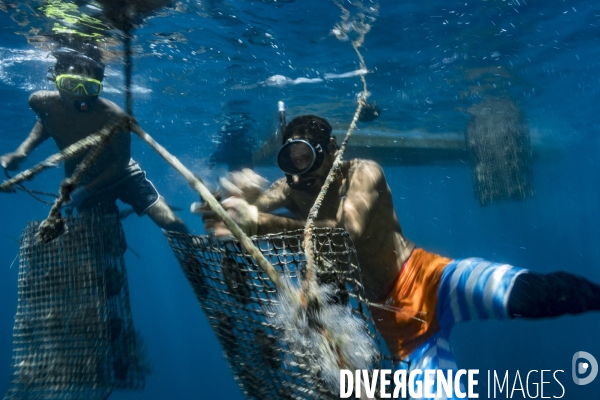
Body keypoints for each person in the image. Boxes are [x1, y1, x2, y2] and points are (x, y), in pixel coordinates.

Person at [203, 115, 600, 398]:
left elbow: (345, 234)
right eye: (291, 160)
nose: (300, 172)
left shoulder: (363, 172)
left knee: (531, 295)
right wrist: (230, 202)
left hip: (434, 280)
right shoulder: (290, 189)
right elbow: (247, 208)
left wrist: (257, 222)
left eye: (307, 158)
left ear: (332, 152)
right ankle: (394, 384)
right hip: (401, 330)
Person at [0, 47, 187, 233]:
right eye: (70, 84)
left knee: (170, 222)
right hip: (81, 179)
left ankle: (194, 253)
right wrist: (22, 151)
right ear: (56, 79)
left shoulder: (113, 116)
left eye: (89, 87)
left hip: (123, 175)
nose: (79, 94)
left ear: (99, 87)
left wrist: (85, 191)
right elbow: (47, 121)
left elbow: (121, 162)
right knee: (103, 240)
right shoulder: (39, 101)